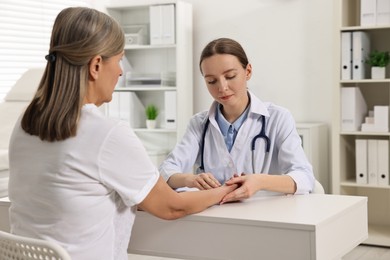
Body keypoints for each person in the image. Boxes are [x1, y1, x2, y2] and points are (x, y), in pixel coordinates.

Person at [7, 8, 237, 260]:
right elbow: (171, 207)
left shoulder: (24, 125)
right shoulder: (106, 133)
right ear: (96, 65)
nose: (121, 71)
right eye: (119, 60)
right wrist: (226, 190)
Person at [159, 37, 315, 203]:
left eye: (230, 76)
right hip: (216, 217)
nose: (222, 87)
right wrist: (189, 180)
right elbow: (165, 171)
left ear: (247, 72)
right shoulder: (199, 124)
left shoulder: (278, 118)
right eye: (211, 81)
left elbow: (304, 177)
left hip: (266, 218)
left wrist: (259, 181)